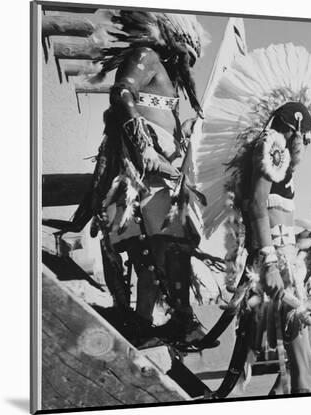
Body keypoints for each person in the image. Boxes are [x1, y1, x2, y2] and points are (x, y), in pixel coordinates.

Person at [193, 43, 311, 394]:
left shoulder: (275, 153)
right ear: (296, 129)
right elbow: (256, 207)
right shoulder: (272, 147)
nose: (308, 145)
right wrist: (270, 262)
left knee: (310, 350)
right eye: (307, 137)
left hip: (285, 263)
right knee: (303, 359)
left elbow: (272, 212)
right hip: (274, 267)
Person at [72, 11, 209, 345]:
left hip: (165, 176)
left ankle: (167, 324)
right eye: (189, 55)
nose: (190, 64)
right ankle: (149, 325)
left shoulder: (165, 74)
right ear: (177, 41)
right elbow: (122, 92)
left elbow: (155, 110)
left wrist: (185, 127)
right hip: (142, 174)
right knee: (150, 251)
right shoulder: (146, 56)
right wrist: (144, 147)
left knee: (168, 248)